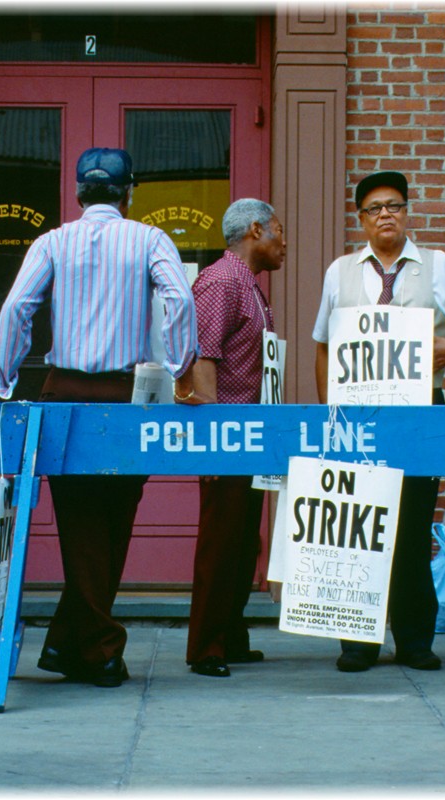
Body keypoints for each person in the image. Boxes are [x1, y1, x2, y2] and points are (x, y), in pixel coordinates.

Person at [0, 148, 199, 688]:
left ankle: (71, 644)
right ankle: (102, 648)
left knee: (83, 523)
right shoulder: (149, 239)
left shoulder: (52, 241)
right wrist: (183, 367)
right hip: (124, 394)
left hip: (63, 389)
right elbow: (179, 299)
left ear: (77, 194)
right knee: (116, 519)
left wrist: (1, 378)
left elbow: (18, 307)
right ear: (128, 192)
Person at [312, 170, 445, 673]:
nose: (385, 214)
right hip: (358, 416)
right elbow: (323, 345)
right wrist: (332, 414)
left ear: (407, 212)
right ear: (360, 220)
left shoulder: (438, 267)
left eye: (394, 205)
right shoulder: (340, 271)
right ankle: (358, 643)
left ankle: (415, 641)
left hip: (420, 413)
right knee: (358, 526)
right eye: (374, 208)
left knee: (411, 528)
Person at [183, 199, 287, 678]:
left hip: (251, 436)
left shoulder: (249, 285)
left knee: (245, 543)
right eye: (279, 232)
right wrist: (213, 437)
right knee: (222, 543)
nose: (283, 242)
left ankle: (231, 635)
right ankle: (206, 647)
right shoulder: (223, 282)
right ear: (255, 229)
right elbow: (203, 356)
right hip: (227, 436)